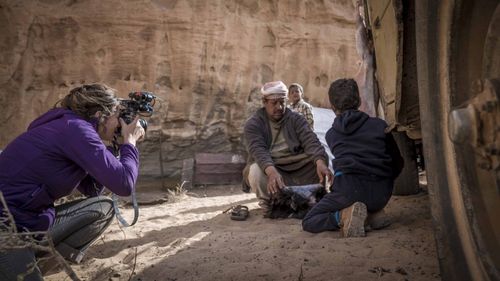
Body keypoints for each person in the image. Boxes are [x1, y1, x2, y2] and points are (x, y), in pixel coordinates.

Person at [0, 83, 145, 280]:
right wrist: (130, 143)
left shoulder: (72, 127)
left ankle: (35, 263)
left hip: (30, 223)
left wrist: (115, 148)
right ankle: (18, 265)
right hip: (7, 229)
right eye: (116, 115)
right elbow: (124, 185)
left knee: (102, 208)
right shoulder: (77, 130)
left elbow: (91, 189)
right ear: (100, 115)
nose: (119, 122)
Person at [302, 78, 403, 237]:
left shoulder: (332, 135)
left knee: (309, 220)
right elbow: (398, 164)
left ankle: (343, 216)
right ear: (359, 100)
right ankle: (371, 215)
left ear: (333, 107)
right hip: (382, 194)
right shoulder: (379, 126)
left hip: (349, 193)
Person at [243, 81, 333, 217]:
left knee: (320, 159)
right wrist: (272, 171)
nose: (279, 107)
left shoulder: (296, 119)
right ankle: (269, 203)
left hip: (297, 166)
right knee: (255, 171)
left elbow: (311, 141)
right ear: (264, 102)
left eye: (282, 102)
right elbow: (258, 150)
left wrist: (320, 162)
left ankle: (304, 199)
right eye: (274, 103)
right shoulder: (253, 124)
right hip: (272, 167)